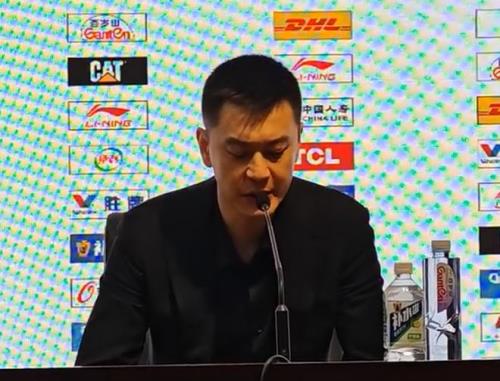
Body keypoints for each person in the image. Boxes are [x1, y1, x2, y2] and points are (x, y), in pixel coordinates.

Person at [75, 54, 384, 365]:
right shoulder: (147, 231)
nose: (259, 172)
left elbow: (369, 371)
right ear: (205, 147)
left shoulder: (345, 227)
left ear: (299, 140)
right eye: (238, 152)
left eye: (276, 152)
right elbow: (98, 372)